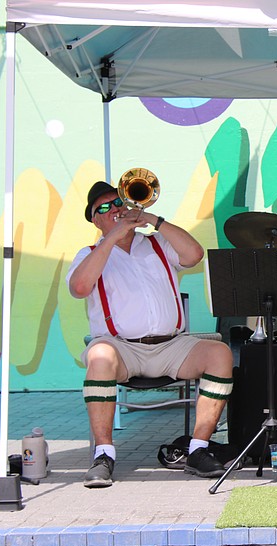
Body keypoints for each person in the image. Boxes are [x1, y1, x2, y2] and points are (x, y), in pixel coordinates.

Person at [67, 181, 233, 488]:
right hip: (121, 349)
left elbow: (194, 254)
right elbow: (80, 287)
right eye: (103, 208)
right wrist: (112, 237)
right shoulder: (90, 253)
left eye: (117, 202)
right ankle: (103, 455)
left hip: (171, 346)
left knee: (220, 354)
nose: (113, 209)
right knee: (99, 355)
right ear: (94, 219)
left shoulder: (157, 243)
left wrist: (153, 220)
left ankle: (197, 449)